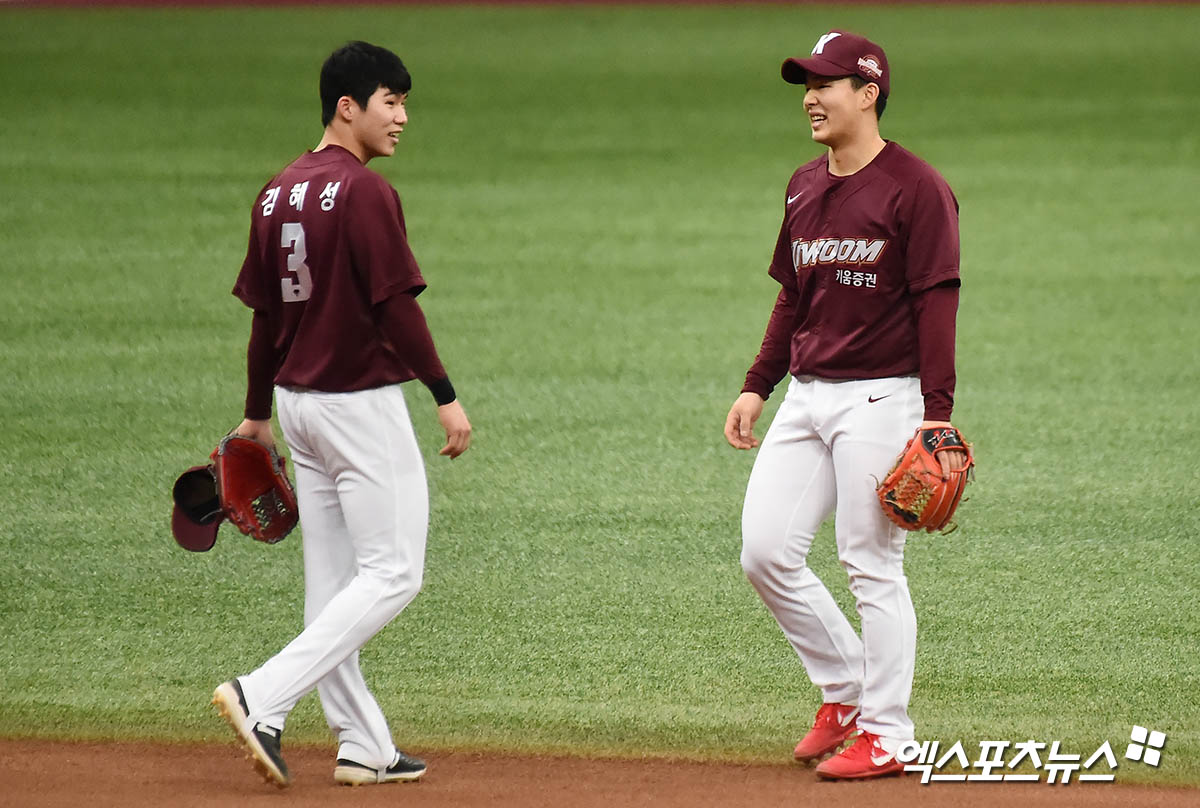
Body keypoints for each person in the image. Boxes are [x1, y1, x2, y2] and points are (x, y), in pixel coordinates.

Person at [210, 40, 472, 789]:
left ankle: (363, 744)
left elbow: (264, 320)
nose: (403, 117)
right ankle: (261, 695)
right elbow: (393, 304)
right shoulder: (362, 193)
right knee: (395, 573)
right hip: (357, 404)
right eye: (391, 101)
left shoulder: (276, 190)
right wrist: (443, 393)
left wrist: (256, 416)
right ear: (347, 107)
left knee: (332, 586)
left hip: (297, 406)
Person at [723, 30, 968, 780]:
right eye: (806, 84)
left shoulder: (915, 188)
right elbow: (792, 298)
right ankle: (846, 691)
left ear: (869, 93)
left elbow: (936, 302)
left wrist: (936, 411)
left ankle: (891, 734)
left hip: (880, 399)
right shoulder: (802, 184)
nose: (811, 97)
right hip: (806, 395)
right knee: (765, 552)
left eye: (826, 83)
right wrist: (757, 384)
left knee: (870, 565)